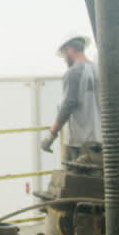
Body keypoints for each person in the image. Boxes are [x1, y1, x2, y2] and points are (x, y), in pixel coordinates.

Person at [41, 33, 102, 163]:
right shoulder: (97, 69)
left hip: (81, 143)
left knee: (81, 180)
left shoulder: (74, 72)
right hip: (100, 138)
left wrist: (51, 135)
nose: (64, 59)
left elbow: (68, 105)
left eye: (63, 54)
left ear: (69, 49)